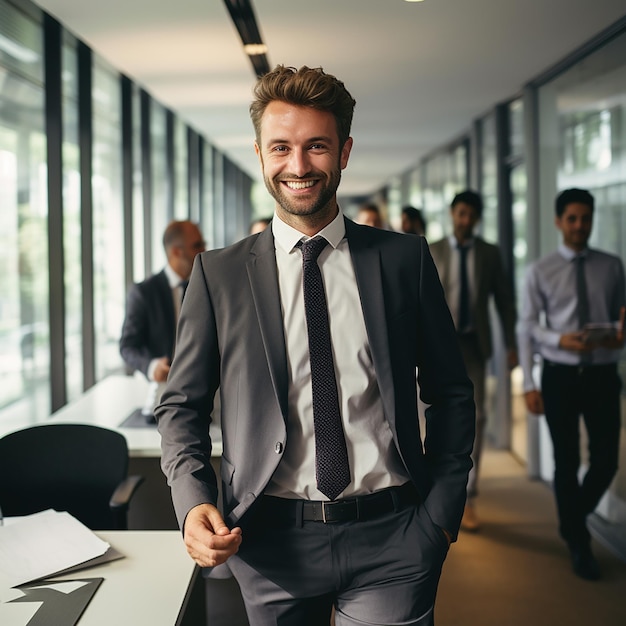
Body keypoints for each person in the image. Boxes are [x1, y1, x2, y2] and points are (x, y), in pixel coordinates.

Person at [156, 65, 474, 626]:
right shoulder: (218, 275)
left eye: (316, 146)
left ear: (344, 151)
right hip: (269, 542)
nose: (298, 166)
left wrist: (441, 513)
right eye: (281, 147)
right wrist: (192, 502)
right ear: (259, 153)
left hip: (396, 536)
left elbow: (450, 390)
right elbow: (181, 406)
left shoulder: (404, 261)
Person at [517, 188, 625, 581]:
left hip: (601, 373)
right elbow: (526, 326)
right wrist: (532, 379)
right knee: (565, 461)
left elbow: (620, 318)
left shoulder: (612, 266)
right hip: (560, 375)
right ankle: (580, 544)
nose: (580, 226)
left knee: (606, 461)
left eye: (586, 218)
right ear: (559, 221)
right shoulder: (540, 270)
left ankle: (571, 519)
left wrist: (618, 335)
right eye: (573, 218)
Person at [429, 190, 518, 531]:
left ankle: (468, 497)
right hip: (436, 348)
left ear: (478, 219)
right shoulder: (431, 250)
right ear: (453, 213)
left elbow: (504, 303)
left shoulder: (489, 254)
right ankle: (437, 491)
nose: (465, 220)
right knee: (431, 415)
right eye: (461, 213)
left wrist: (510, 346)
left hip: (474, 347)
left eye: (471, 215)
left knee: (476, 420)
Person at [119, 220, 206, 385]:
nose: (204, 250)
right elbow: (128, 346)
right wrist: (151, 367)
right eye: (197, 245)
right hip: (162, 387)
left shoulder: (207, 286)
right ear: (176, 252)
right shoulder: (144, 293)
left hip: (203, 385)